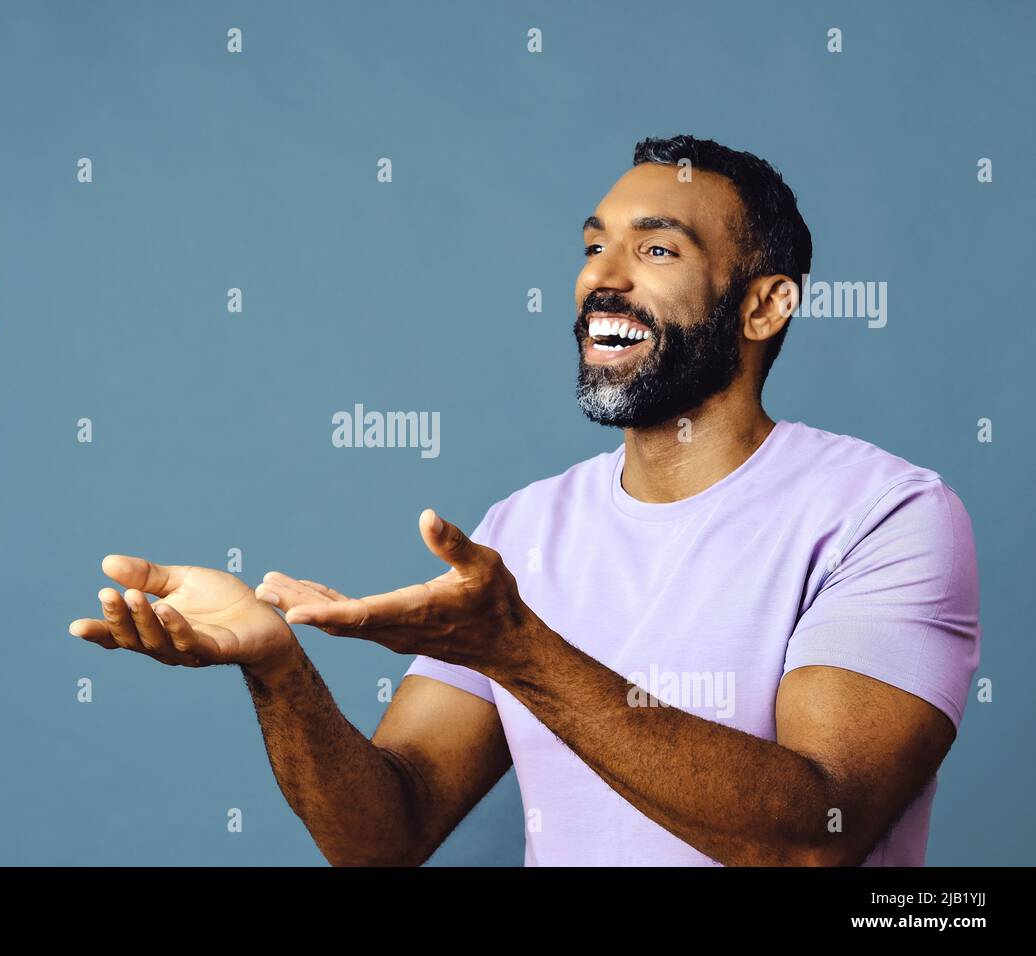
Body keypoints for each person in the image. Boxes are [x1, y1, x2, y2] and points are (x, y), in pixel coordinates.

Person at [68, 135, 981, 866]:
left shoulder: (884, 516)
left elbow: (814, 838)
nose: (602, 278)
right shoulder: (524, 532)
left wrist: (520, 651)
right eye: (593, 247)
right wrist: (278, 670)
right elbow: (384, 836)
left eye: (656, 249)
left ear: (764, 306)